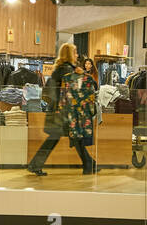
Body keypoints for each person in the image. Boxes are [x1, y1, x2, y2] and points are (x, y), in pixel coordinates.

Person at [26, 43, 96, 175]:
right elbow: (76, 88)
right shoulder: (68, 70)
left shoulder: (60, 68)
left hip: (58, 110)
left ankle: (89, 164)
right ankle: (89, 164)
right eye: (75, 52)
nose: (77, 55)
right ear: (69, 54)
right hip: (64, 111)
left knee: (62, 138)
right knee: (74, 137)